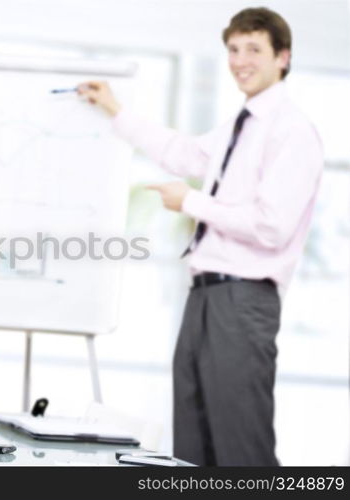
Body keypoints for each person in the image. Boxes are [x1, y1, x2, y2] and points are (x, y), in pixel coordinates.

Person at [78, 7, 323, 465]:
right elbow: (184, 153)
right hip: (205, 295)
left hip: (244, 299)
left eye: (254, 49)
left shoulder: (292, 132)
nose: (240, 61)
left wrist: (189, 202)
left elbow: (271, 226)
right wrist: (115, 109)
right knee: (194, 443)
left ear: (283, 58)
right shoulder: (238, 125)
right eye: (233, 50)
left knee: (240, 445)